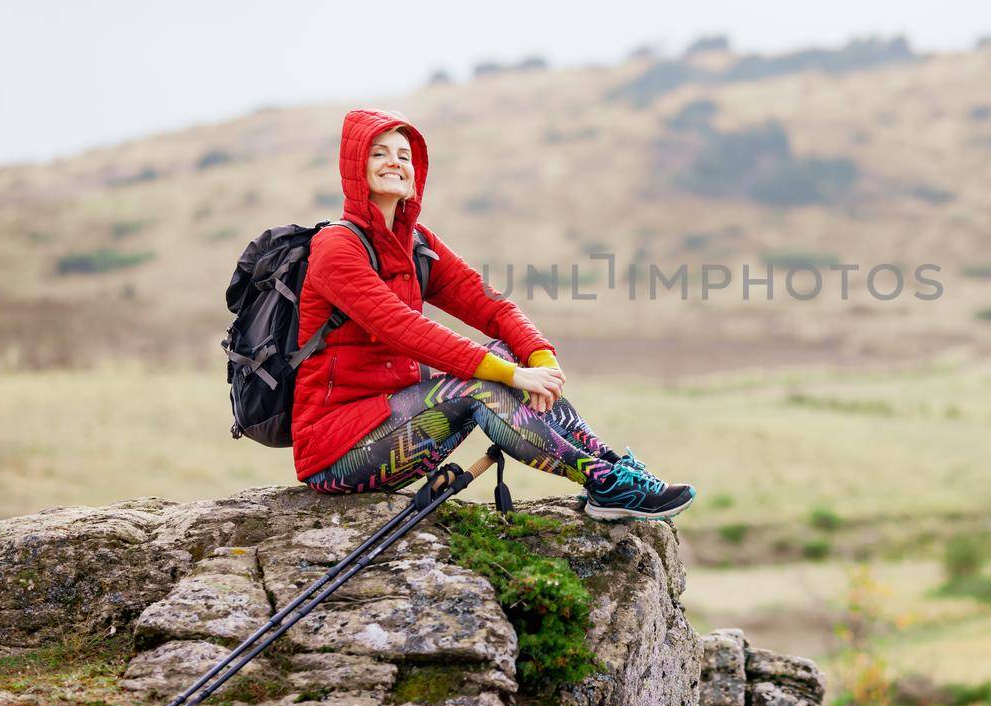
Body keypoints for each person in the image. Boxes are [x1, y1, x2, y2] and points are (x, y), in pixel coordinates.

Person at [290, 108, 695, 521]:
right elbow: (402, 328)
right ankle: (601, 483)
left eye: (404, 155)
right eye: (379, 153)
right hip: (337, 452)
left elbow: (489, 302)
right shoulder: (336, 249)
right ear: (355, 166)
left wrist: (539, 360)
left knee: (507, 351)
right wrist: (510, 374)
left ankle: (613, 470)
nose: (394, 162)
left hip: (396, 423)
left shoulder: (417, 243)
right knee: (480, 383)